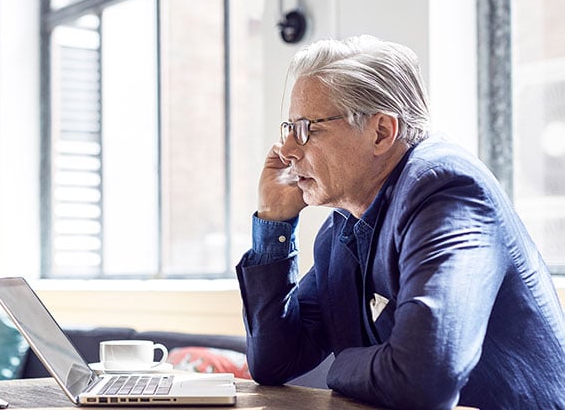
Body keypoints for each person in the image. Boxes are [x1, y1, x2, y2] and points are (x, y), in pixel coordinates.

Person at [235, 35, 565, 409]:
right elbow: (274, 362)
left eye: (308, 128)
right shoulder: (342, 226)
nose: (288, 151)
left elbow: (422, 379)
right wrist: (274, 226)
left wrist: (341, 364)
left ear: (381, 132)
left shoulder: (447, 191)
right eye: (289, 128)